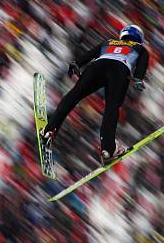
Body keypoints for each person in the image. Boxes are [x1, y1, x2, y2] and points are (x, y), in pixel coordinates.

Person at [41, 24, 149, 165]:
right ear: (139, 37)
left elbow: (91, 53)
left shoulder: (108, 41)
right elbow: (142, 63)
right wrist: (138, 78)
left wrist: (77, 64)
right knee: (111, 108)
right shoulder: (139, 48)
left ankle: (49, 130)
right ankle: (108, 149)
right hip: (120, 70)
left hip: (97, 67)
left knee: (74, 95)